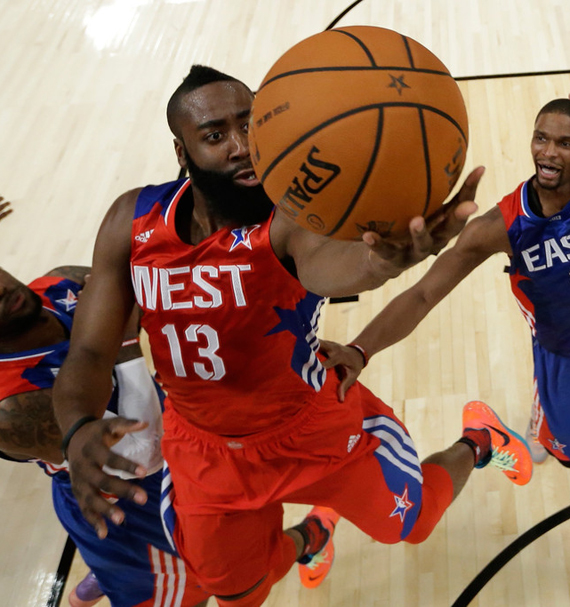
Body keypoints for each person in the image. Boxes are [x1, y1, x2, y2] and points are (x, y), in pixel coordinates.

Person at [52, 65, 532, 607]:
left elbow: (340, 265)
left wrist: (384, 262)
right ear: (182, 152)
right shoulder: (131, 220)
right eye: (215, 136)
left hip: (312, 433)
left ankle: (481, 440)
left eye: (251, 128)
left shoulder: (293, 218)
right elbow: (90, 349)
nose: (241, 148)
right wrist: (77, 429)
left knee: (412, 523)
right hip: (206, 451)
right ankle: (313, 536)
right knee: (235, 591)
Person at [323, 98, 570, 468]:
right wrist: (360, 350)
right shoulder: (501, 227)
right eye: (541, 138)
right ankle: (532, 428)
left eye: (565, 143)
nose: (548, 152)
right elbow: (423, 294)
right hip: (560, 356)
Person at [0, 259, 211, 607]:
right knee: (191, 591)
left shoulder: (62, 281)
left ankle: (106, 574)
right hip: (128, 507)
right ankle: (311, 538)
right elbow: (144, 454)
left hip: (167, 443)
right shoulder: (12, 410)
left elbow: (142, 298)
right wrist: (125, 341)